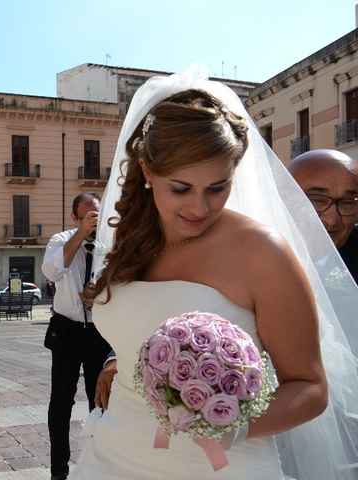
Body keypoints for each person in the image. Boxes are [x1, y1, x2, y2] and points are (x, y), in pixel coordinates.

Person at [70, 68, 358, 480]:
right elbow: (139, 326)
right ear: (148, 173)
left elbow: (310, 388)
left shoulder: (262, 252)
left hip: (219, 468)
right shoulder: (130, 240)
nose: (200, 208)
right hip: (112, 457)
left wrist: (228, 426)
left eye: (218, 187)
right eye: (181, 188)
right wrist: (123, 358)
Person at [41, 192, 113, 480]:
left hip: (99, 332)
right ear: (75, 217)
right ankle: (59, 469)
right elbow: (52, 271)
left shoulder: (109, 243)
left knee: (102, 401)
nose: (93, 219)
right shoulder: (61, 240)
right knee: (61, 402)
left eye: (96, 213)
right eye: (86, 216)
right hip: (67, 331)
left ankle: (100, 463)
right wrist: (80, 235)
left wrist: (102, 292)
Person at [288, 149, 358, 282]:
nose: (332, 221)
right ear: (284, 199)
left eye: (347, 202)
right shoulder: (250, 254)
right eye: (317, 200)